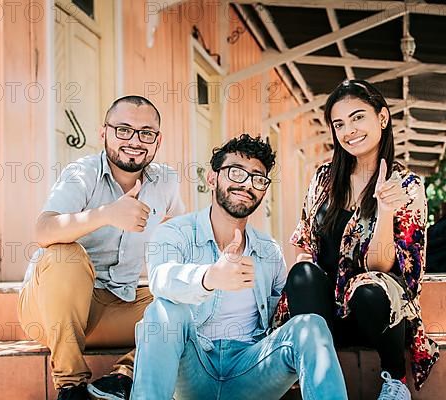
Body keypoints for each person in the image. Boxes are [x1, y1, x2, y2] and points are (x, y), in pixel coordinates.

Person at [131, 134, 348, 400]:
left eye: (258, 178)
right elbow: (160, 279)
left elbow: (283, 316)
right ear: (212, 179)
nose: (246, 184)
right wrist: (210, 277)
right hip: (193, 368)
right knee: (162, 311)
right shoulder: (176, 233)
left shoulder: (268, 250)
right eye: (236, 173)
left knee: (311, 325)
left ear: (263, 190)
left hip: (252, 369)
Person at [273, 80, 440, 400]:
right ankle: (317, 378)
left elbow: (388, 268)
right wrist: (304, 285)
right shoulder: (324, 178)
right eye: (339, 123)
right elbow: (304, 242)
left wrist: (386, 211)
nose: (349, 130)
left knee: (369, 290)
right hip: (325, 316)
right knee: (301, 273)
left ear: (382, 117)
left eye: (358, 117)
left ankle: (395, 382)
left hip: (377, 316)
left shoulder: (405, 185)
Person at [18, 95, 185, 400]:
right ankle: (71, 386)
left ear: (157, 141)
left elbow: (180, 235)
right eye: (123, 129)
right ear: (103, 132)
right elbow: (43, 230)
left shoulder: (165, 181)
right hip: (51, 310)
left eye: (145, 132)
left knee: (193, 300)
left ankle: (122, 378)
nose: (134, 140)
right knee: (62, 253)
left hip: (116, 305)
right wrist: (106, 214)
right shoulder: (81, 173)